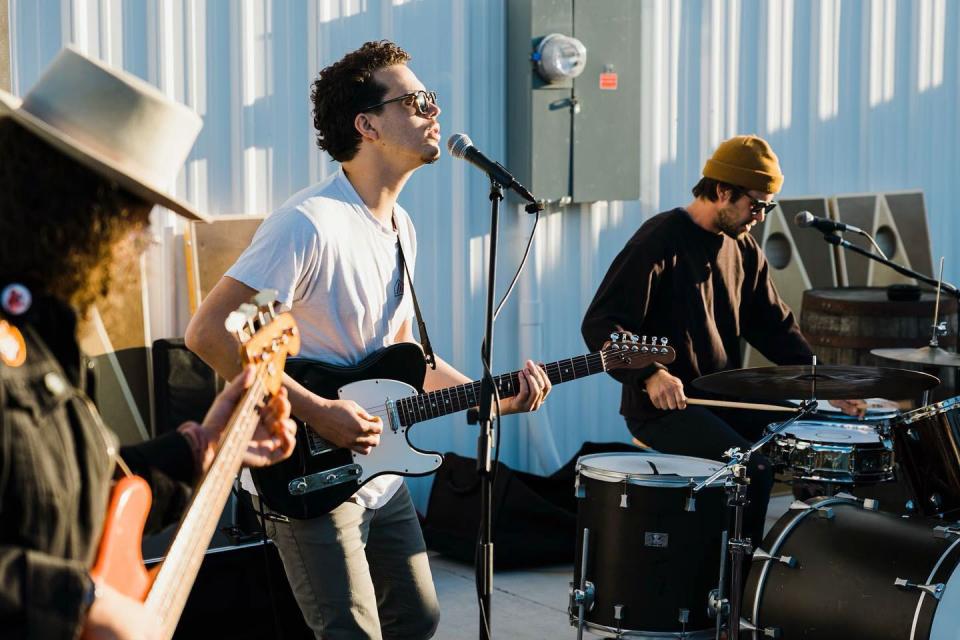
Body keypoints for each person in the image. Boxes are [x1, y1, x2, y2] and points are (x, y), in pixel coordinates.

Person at [185, 40, 552, 639]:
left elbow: (407, 357)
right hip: (304, 472)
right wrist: (319, 411)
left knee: (418, 617)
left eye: (431, 99)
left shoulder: (400, 226)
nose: (434, 111)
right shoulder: (307, 224)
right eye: (416, 100)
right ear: (367, 125)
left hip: (379, 471)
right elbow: (209, 334)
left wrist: (490, 396)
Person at [0, 48, 297, 640]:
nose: (140, 242)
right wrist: (81, 603)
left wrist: (202, 445)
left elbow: (81, 500)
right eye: (133, 216)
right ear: (73, 209)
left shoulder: (48, 341)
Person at [581, 134, 865, 546]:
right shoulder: (658, 240)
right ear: (721, 191)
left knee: (810, 443)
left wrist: (827, 383)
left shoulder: (744, 249)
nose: (761, 216)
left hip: (721, 398)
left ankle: (802, 565)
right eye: (756, 204)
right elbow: (602, 322)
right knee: (752, 469)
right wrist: (651, 374)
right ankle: (734, 582)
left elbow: (775, 326)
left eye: (768, 206)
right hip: (664, 409)